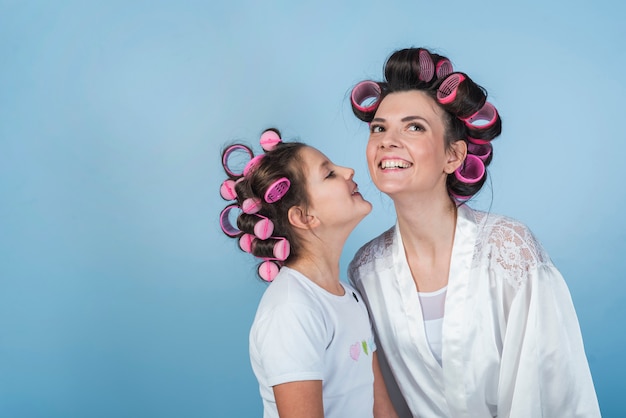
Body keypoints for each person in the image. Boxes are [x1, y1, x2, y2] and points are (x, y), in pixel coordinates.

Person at [347, 48, 601, 417]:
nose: (388, 140)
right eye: (378, 128)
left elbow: (553, 393)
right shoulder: (366, 271)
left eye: (414, 126)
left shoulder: (510, 251)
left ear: (454, 156)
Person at [219, 128, 398, 418]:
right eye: (329, 174)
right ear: (304, 217)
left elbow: (382, 409)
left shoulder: (349, 296)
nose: (349, 171)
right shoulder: (292, 310)